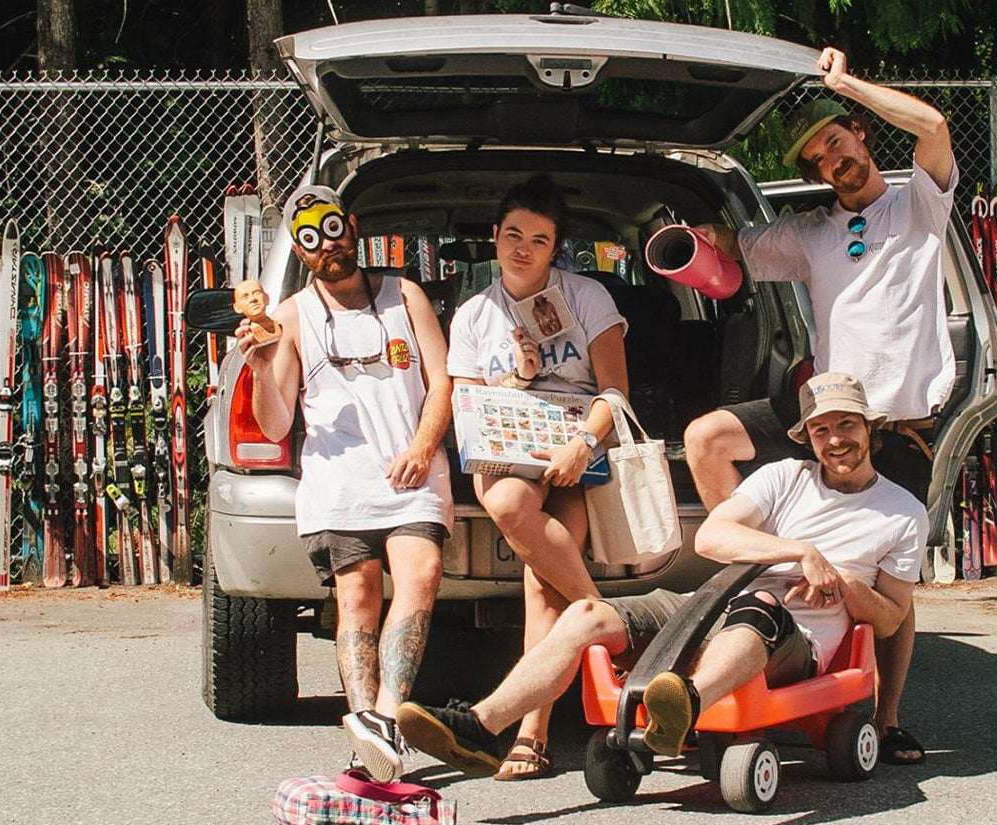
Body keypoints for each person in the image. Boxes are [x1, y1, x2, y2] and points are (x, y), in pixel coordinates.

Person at [396, 372, 924, 774]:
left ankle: (685, 705)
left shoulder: (902, 513)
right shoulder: (785, 477)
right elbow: (714, 537)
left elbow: (891, 617)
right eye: (821, 429)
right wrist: (798, 551)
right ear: (806, 437)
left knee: (760, 608)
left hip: (794, 639)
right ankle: (481, 726)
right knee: (587, 613)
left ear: (869, 428)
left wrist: (845, 583)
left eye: (846, 425)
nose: (835, 441)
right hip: (711, 605)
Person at [681, 46, 957, 765]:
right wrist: (691, 238)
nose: (834, 160)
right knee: (707, 437)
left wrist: (843, 84)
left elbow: (931, 123)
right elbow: (734, 250)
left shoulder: (918, 206)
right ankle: (750, 583)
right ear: (813, 175)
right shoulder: (811, 234)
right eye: (819, 158)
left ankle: (885, 717)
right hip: (827, 413)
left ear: (862, 133)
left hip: (896, 425)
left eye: (838, 140)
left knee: (890, 582)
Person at [238, 183, 453, 783]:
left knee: (422, 575)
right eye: (310, 240)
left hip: (411, 470)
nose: (326, 247)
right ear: (300, 253)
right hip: (339, 484)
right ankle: (369, 732)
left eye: (332, 230)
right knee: (356, 596)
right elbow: (277, 420)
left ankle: (384, 721)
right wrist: (260, 362)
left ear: (352, 227)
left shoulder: (403, 294)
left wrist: (421, 446)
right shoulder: (288, 317)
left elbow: (442, 382)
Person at [446, 173, 630, 780]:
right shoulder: (473, 315)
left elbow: (614, 392)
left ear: (557, 249)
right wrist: (521, 377)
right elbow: (469, 404)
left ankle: (531, 734)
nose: (523, 249)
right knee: (507, 506)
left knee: (542, 584)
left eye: (541, 240)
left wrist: (582, 444)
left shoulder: (586, 297)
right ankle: (609, 622)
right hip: (508, 436)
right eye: (514, 235)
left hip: (580, 436)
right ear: (495, 236)